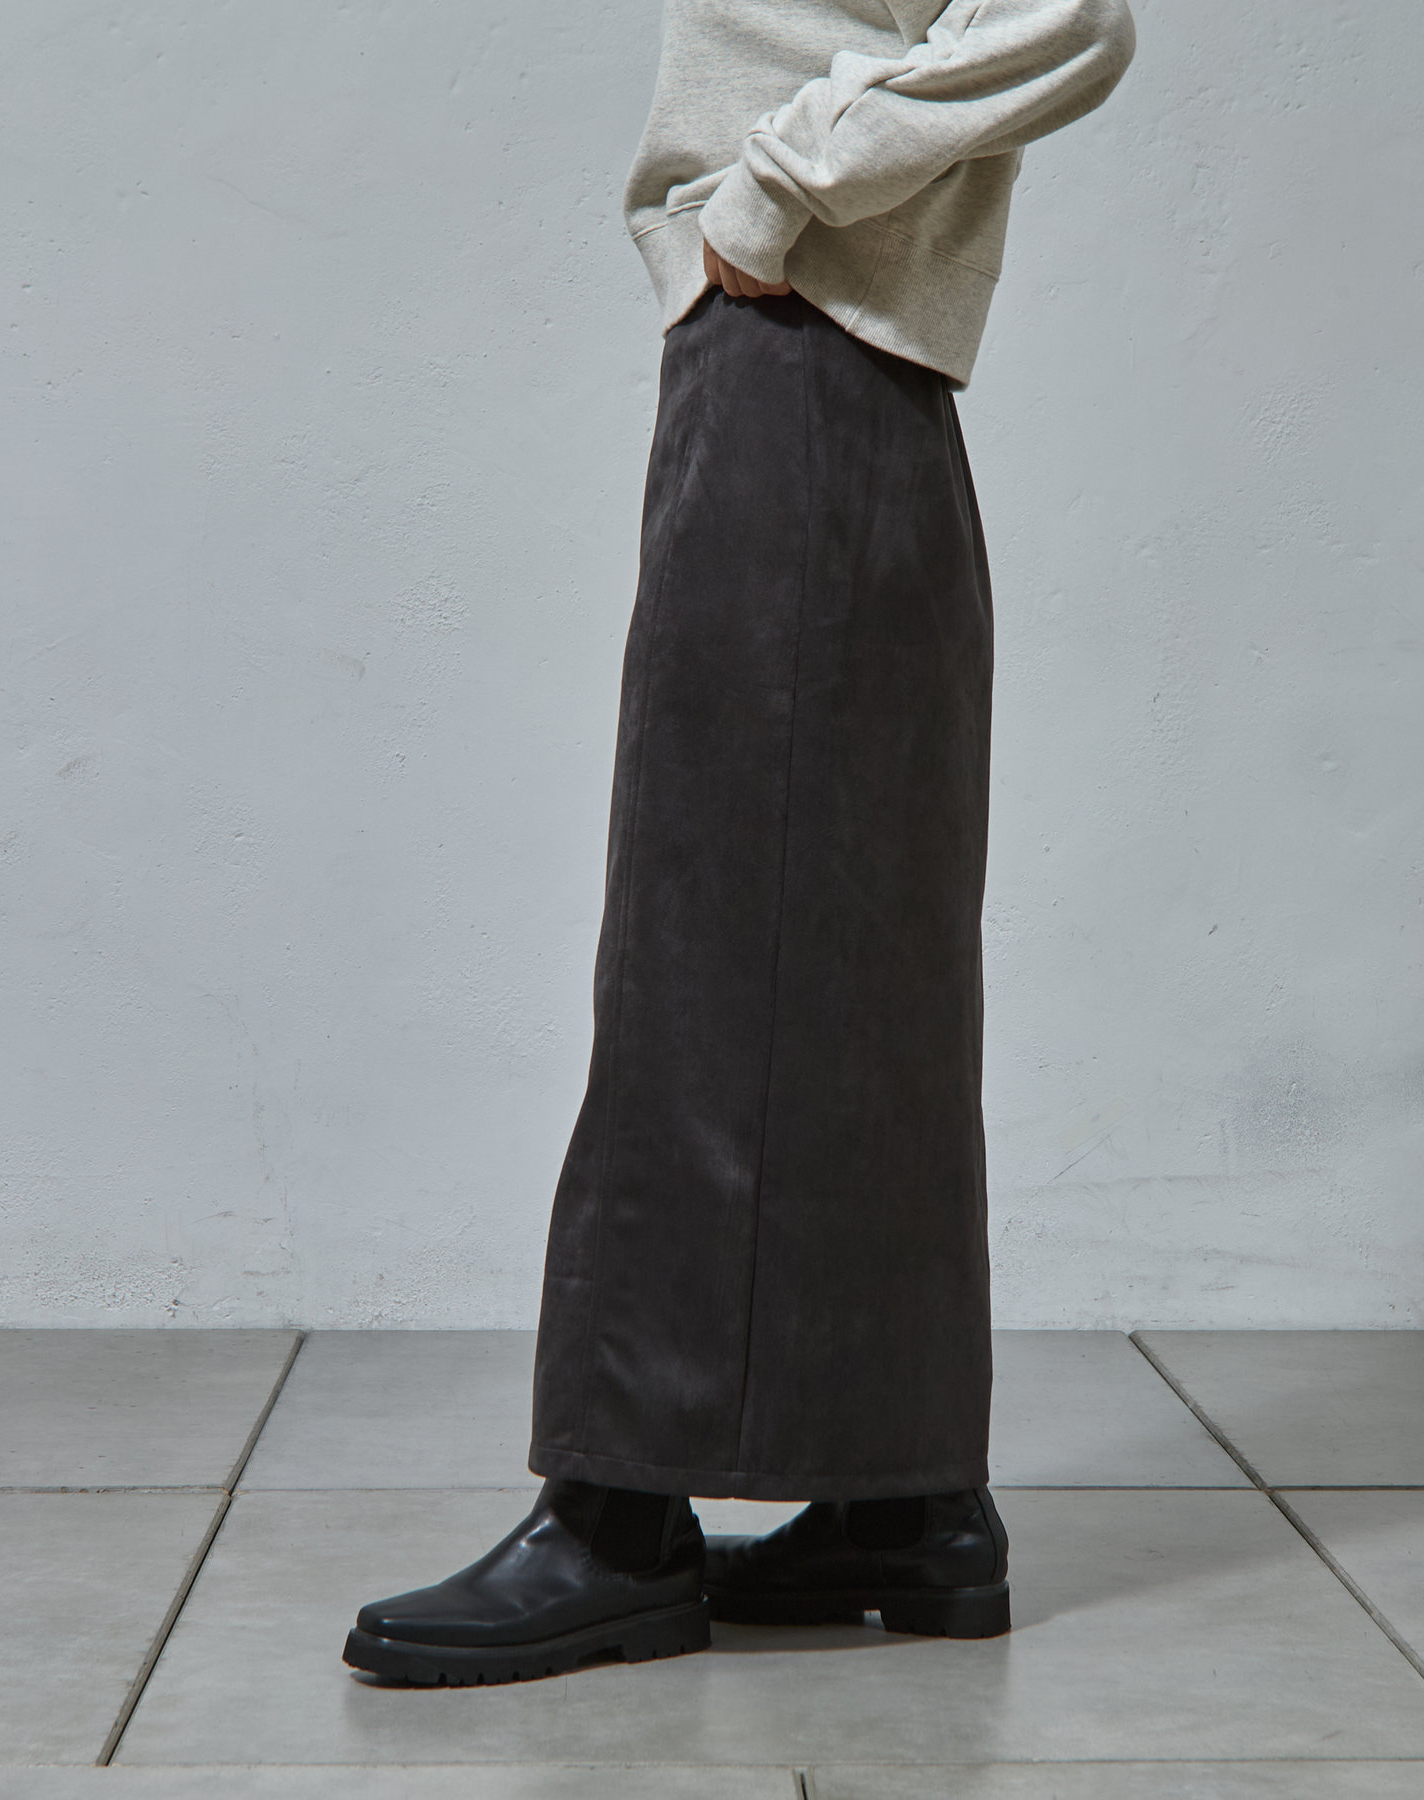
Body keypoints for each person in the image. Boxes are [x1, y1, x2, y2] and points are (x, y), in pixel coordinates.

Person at [343, 0, 1137, 1688]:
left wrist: (773, 195)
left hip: (802, 348)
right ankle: (906, 1499)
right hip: (823, 366)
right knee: (855, 959)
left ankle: (618, 1516)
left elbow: (1073, 16)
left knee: (704, 949)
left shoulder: (787, 263)